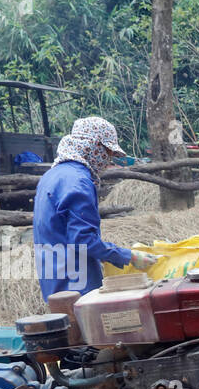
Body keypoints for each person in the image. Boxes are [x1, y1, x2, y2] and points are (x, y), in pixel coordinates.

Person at [33, 117, 158, 299]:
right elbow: (84, 241)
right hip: (77, 285)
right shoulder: (79, 182)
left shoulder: (51, 175)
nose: (108, 160)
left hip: (54, 282)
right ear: (93, 146)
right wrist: (128, 256)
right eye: (107, 152)